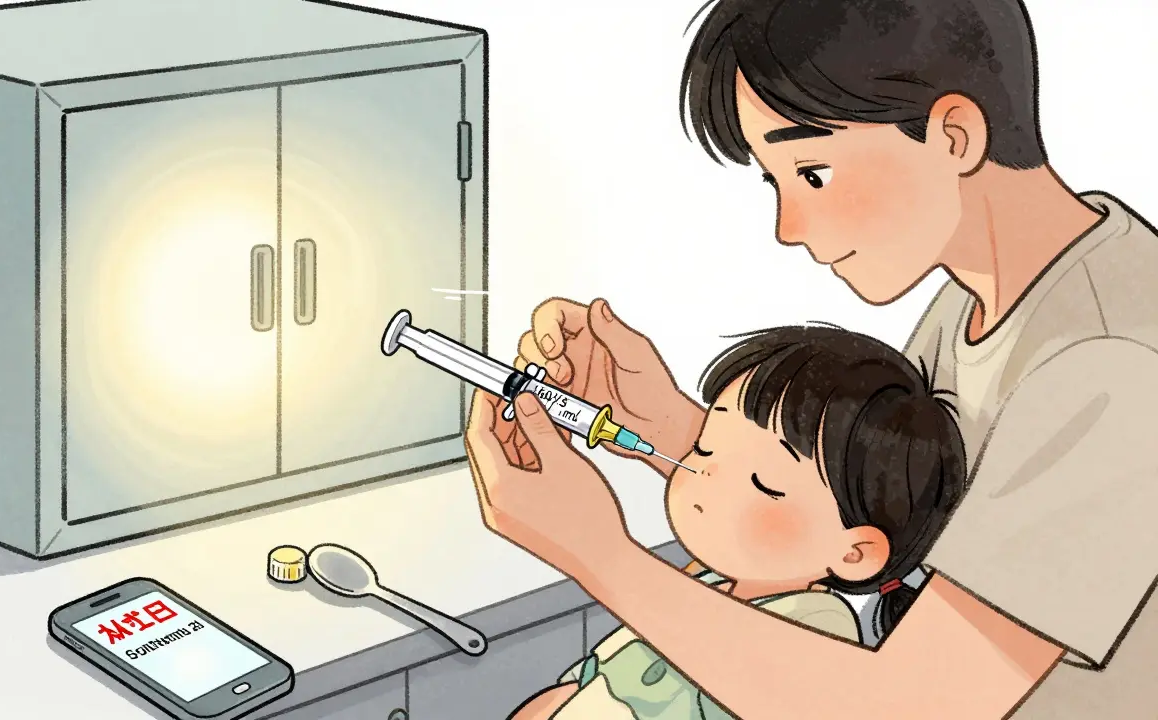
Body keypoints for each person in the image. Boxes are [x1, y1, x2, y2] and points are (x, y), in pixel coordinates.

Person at [466, 0, 1158, 717]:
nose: (788, 229)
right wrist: (678, 430)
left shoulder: (1113, 365)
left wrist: (596, 552)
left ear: (954, 135)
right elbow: (863, 513)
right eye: (775, 182)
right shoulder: (988, 299)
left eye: (814, 174)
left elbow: (911, 705)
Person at [491, 325, 967, 719]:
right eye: (706, 446)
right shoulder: (710, 581)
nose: (703, 472)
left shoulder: (813, 626)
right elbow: (594, 676)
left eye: (763, 482)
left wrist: (596, 550)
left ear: (853, 553)